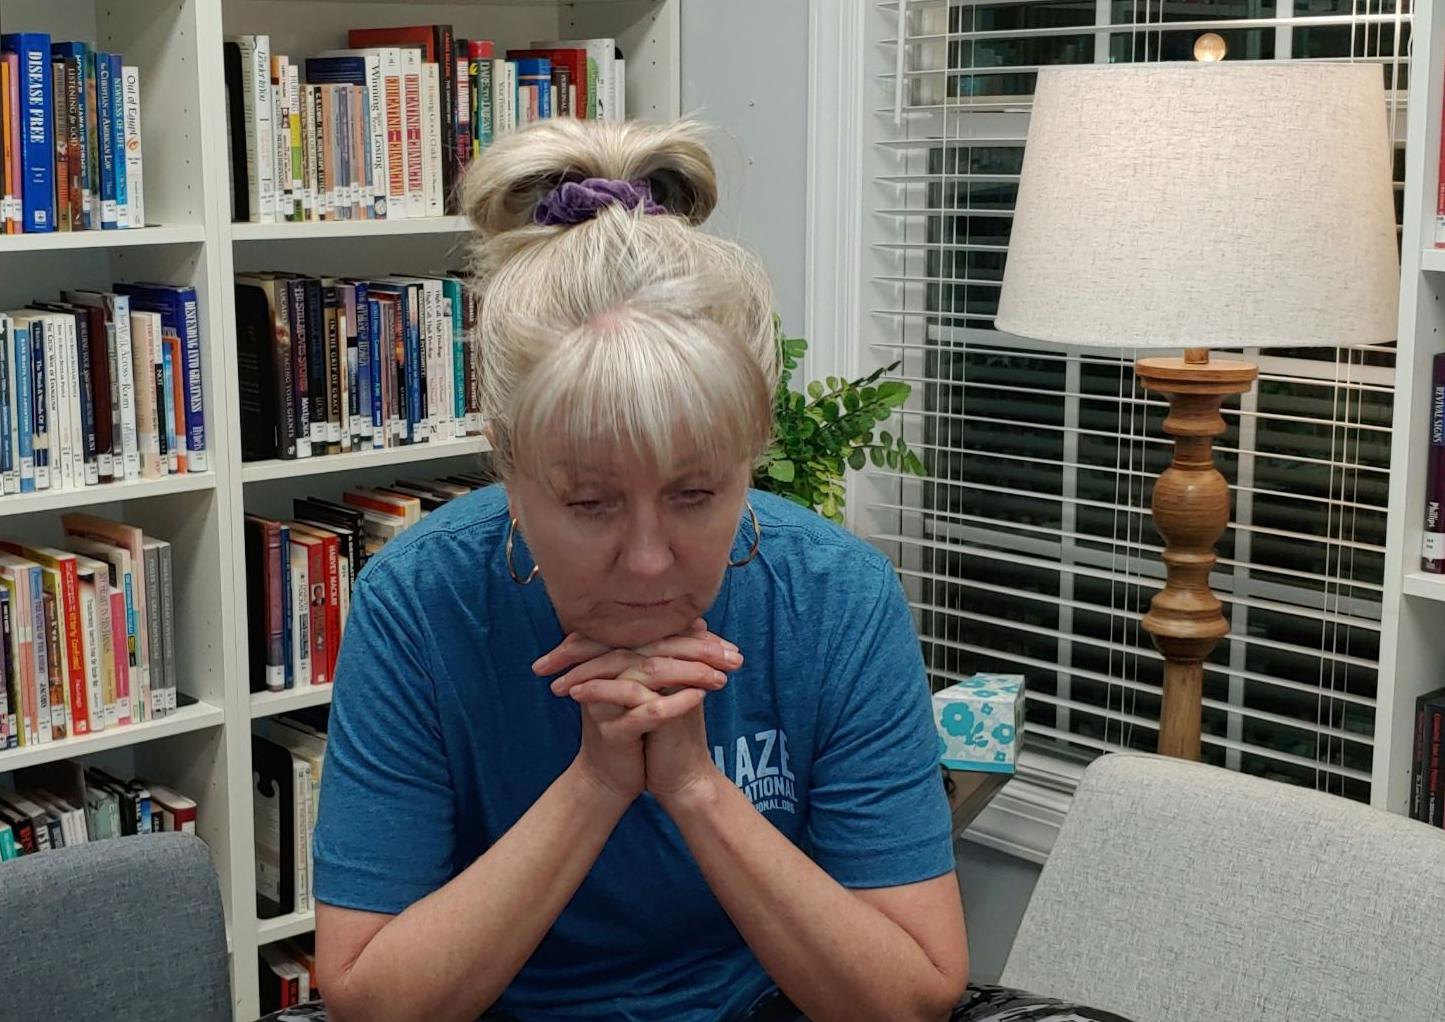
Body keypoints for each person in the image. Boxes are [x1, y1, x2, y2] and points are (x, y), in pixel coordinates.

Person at [276, 119, 1115, 1022]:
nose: (647, 560)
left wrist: (693, 786)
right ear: (508, 470)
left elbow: (911, 996)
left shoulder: (836, 598)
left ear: (749, 462)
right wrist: (597, 783)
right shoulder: (420, 600)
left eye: (695, 495)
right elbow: (370, 1002)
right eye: (590, 503)